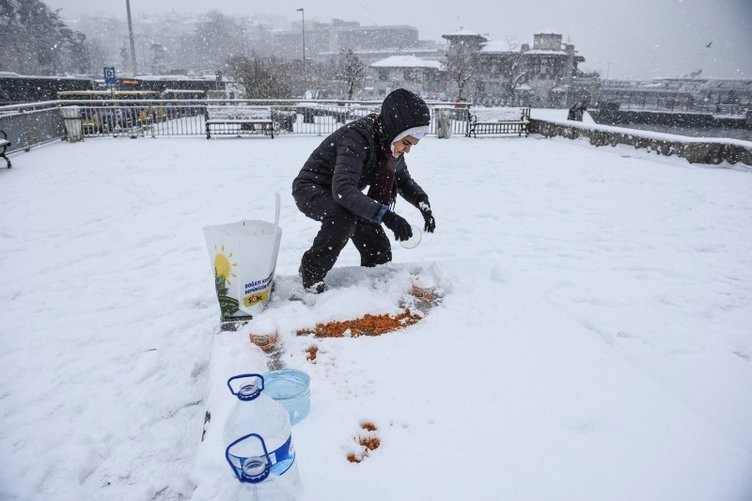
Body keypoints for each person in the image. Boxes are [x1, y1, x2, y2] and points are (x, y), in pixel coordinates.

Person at [291, 88, 437, 292]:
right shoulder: (357, 137)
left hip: (344, 193)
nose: (408, 149)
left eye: (412, 144)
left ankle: (370, 283)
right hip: (310, 189)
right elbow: (343, 190)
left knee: (379, 249)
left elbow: (402, 180)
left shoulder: (390, 146)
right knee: (344, 216)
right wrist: (387, 216)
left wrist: (423, 203)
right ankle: (311, 272)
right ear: (396, 130)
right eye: (406, 142)